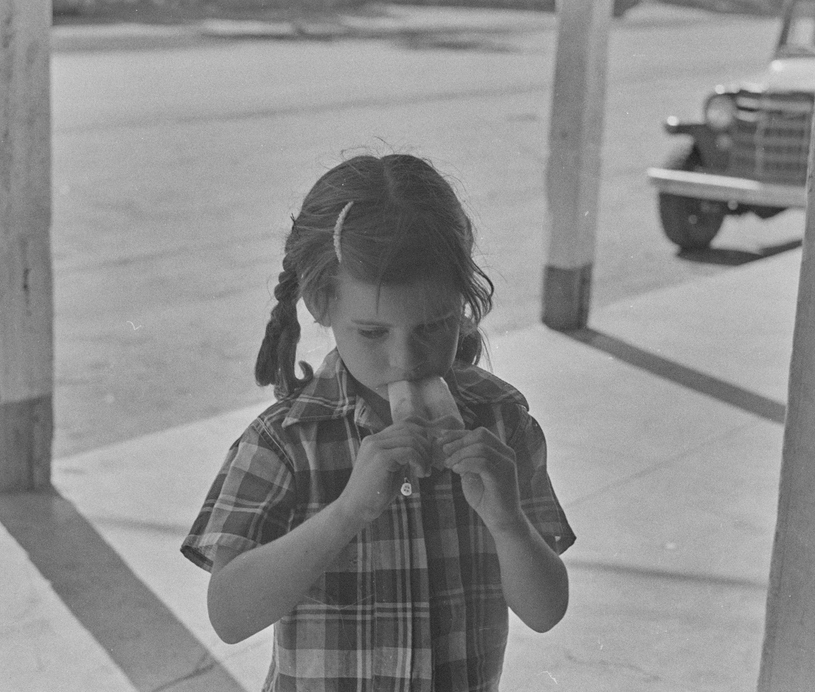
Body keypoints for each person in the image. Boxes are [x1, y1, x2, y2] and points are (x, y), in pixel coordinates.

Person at [181, 153, 575, 692]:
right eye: (372, 332)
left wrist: (507, 523)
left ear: (463, 301)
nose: (405, 359)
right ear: (322, 305)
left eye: (434, 326)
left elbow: (545, 610)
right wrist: (347, 512)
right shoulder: (286, 440)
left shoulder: (503, 424)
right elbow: (229, 615)